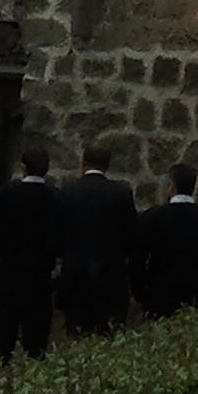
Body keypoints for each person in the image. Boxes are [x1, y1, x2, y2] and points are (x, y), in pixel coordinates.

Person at [0, 144, 60, 361]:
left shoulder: (6, 193)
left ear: (23, 167)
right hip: (39, 279)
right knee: (36, 349)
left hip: (7, 275)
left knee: (0, 345)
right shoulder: (54, 198)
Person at [54, 139, 139, 337]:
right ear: (107, 166)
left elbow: (54, 241)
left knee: (77, 338)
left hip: (75, 282)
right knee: (110, 340)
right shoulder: (121, 195)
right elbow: (134, 241)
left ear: (83, 163)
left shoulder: (66, 194)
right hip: (111, 282)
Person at [132, 160, 198, 319]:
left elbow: (138, 260)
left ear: (171, 187)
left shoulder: (151, 219)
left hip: (159, 300)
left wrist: (141, 294)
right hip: (196, 302)